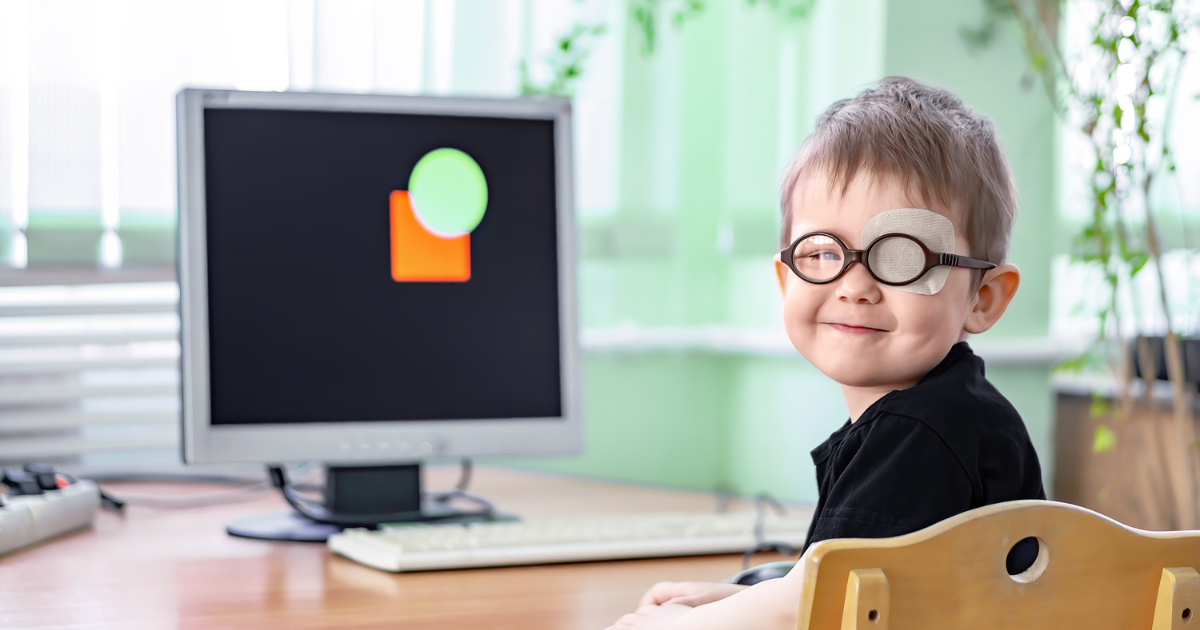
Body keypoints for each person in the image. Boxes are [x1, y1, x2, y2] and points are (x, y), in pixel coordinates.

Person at [604, 76, 1046, 630]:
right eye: (821, 252)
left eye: (903, 256)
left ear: (982, 299)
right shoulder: (952, 411)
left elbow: (827, 604)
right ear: (786, 278)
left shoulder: (921, 433)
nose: (854, 285)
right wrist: (734, 598)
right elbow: (849, 585)